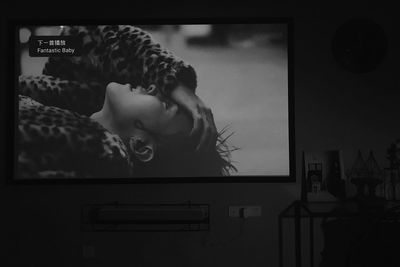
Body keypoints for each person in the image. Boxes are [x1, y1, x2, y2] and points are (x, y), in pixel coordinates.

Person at [17, 25, 236, 178]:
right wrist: (174, 81)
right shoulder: (82, 99)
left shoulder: (88, 152)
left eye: (165, 103)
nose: (155, 87)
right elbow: (80, 38)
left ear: (140, 145)